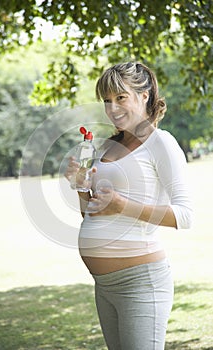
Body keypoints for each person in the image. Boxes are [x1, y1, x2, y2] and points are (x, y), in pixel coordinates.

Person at [65, 62, 193, 350]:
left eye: (120, 98)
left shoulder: (161, 142)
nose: (112, 108)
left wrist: (122, 204)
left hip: (141, 282)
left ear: (144, 95)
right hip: (104, 285)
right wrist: (80, 185)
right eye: (107, 101)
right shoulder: (109, 148)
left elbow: (185, 216)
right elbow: (90, 213)